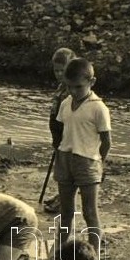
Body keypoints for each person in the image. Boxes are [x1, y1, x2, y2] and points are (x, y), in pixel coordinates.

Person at [53, 57, 111, 249]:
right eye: (70, 87)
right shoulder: (65, 103)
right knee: (66, 211)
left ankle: (94, 257)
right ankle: (60, 252)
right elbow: (62, 130)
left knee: (90, 213)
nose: (74, 91)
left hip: (88, 162)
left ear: (91, 83)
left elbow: (107, 141)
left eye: (79, 87)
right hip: (65, 159)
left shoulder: (98, 108)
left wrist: (99, 163)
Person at [43, 47, 77, 214]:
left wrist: (63, 136)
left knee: (66, 171)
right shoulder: (61, 87)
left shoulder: (73, 91)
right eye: (55, 70)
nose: (58, 74)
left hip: (67, 135)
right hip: (58, 133)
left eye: (61, 71)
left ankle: (64, 200)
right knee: (60, 168)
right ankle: (61, 196)